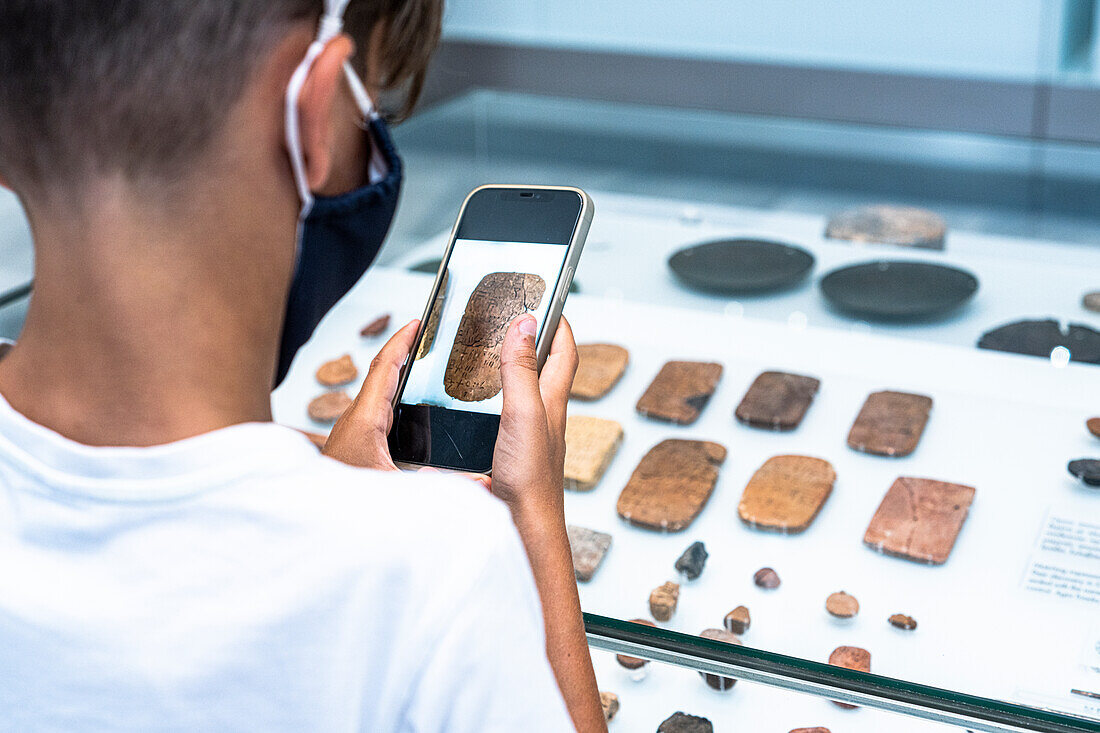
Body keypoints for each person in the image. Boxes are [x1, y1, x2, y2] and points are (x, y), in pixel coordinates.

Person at [0, 1, 606, 731]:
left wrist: (324, 481)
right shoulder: (433, 572)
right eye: (369, 107)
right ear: (312, 115)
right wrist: (531, 522)